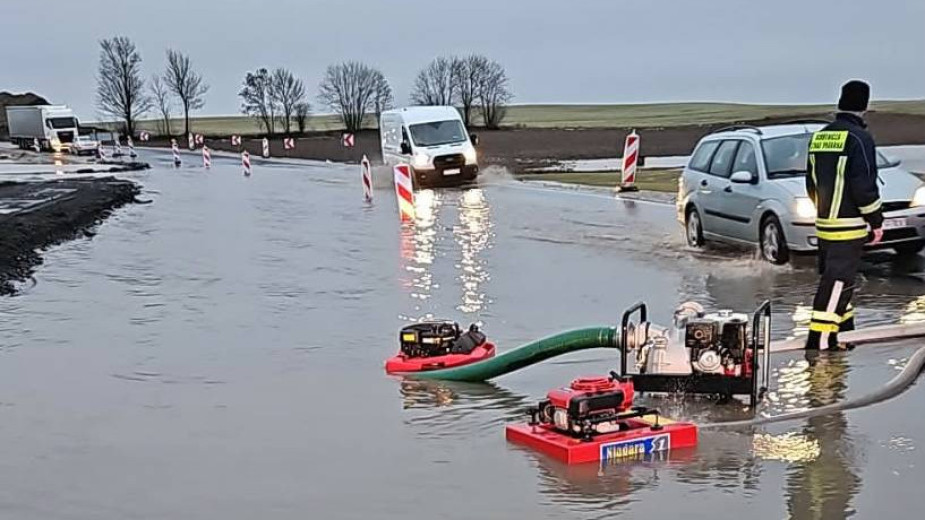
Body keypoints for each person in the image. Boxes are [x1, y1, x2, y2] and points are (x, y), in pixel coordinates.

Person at [804, 80, 883, 350]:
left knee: (838, 279)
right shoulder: (859, 138)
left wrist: (824, 210)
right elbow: (864, 186)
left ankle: (844, 334)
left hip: (825, 222)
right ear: (865, 106)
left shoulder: (821, 136)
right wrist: (876, 221)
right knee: (837, 282)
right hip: (848, 226)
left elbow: (811, 183)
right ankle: (820, 342)